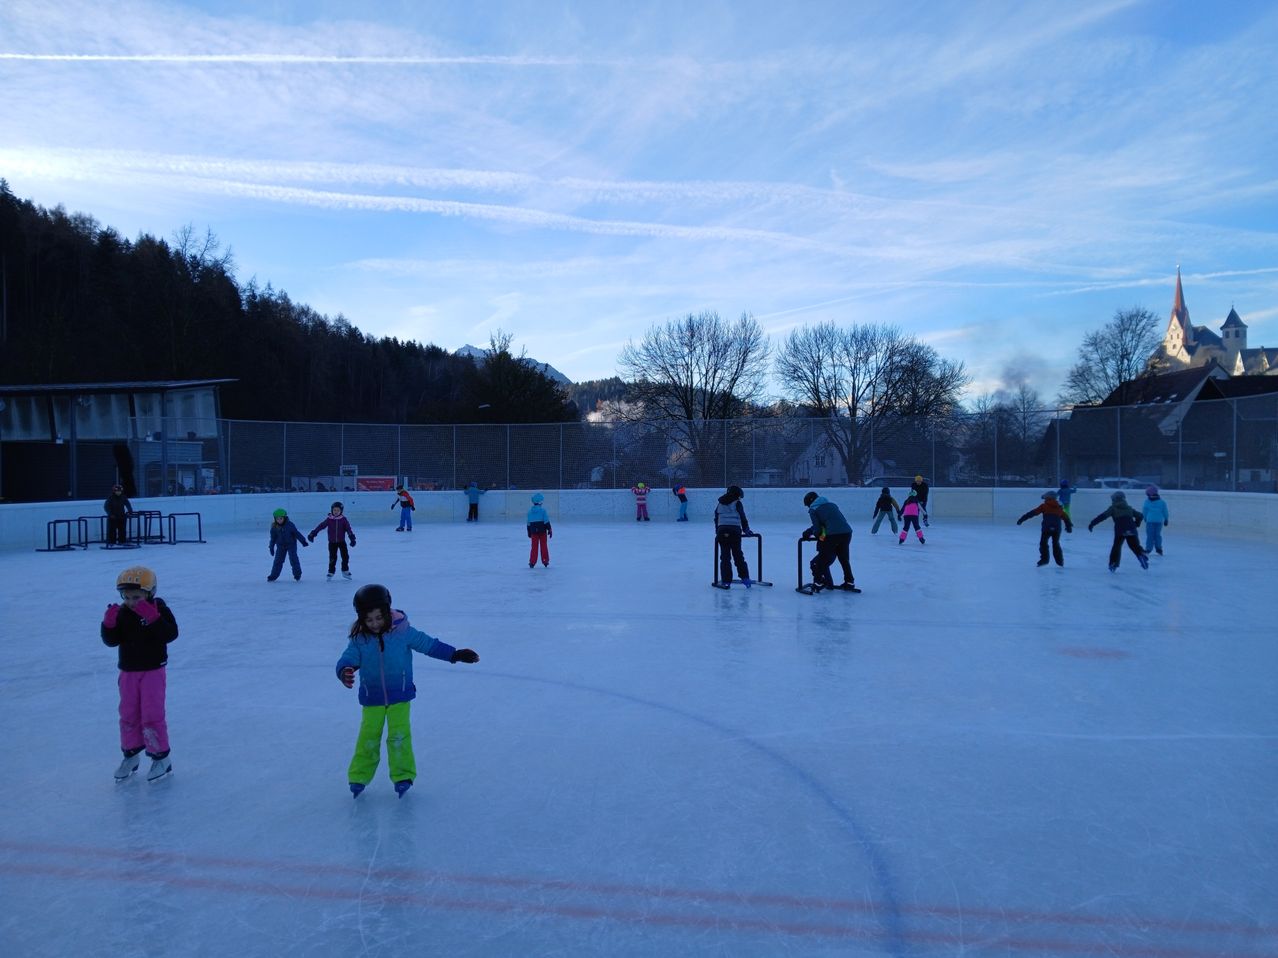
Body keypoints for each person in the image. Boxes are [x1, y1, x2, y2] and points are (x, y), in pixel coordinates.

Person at [335, 584, 479, 798]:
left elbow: (428, 644)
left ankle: (403, 776)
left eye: (378, 617)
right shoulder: (360, 639)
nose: (374, 624)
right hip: (372, 697)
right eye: (369, 619)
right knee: (368, 738)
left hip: (399, 696)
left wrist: (454, 654)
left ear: (386, 612)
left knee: (399, 736)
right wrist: (344, 670)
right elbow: (348, 659)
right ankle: (358, 777)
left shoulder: (403, 632)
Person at [101, 566, 179, 783]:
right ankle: (131, 755)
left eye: (136, 597)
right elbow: (112, 640)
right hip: (128, 671)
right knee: (128, 713)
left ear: (150, 592)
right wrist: (108, 625)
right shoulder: (124, 613)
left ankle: (160, 758)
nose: (131, 602)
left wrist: (154, 618)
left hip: (153, 670)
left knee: (152, 714)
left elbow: (171, 634)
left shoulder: (159, 608)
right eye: (126, 597)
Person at [802, 491, 859, 592]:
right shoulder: (832, 505)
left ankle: (818, 583)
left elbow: (818, 529)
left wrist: (812, 534)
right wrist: (810, 530)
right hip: (846, 533)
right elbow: (835, 521)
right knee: (844, 559)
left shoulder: (813, 509)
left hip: (832, 535)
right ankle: (849, 582)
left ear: (810, 502)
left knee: (822, 559)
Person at [1087, 491, 1149, 572]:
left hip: (1120, 529)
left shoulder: (1113, 508)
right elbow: (1140, 516)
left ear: (1114, 499)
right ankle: (1141, 555)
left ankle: (1113, 563)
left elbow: (1103, 516)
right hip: (1131, 528)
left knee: (1117, 546)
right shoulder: (1129, 508)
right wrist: (1137, 523)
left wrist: (1092, 523)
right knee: (1134, 545)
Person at [1016, 490, 1073, 567]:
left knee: (1043, 543)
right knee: (1056, 544)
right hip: (1057, 528)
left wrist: (1022, 519)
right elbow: (1066, 518)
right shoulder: (1059, 507)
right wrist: (1069, 526)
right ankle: (1060, 561)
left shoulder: (1044, 506)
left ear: (1048, 498)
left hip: (1047, 528)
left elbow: (1032, 513)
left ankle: (1044, 560)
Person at [712, 485, 753, 589]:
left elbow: (716, 517)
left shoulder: (720, 503)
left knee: (725, 557)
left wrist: (718, 531)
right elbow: (742, 517)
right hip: (735, 531)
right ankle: (745, 578)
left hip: (722, 531)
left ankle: (726, 581)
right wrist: (746, 529)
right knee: (738, 555)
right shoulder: (737, 503)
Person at [309, 501, 357, 581]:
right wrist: (313, 533)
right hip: (332, 543)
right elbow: (321, 526)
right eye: (334, 510)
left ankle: (345, 570)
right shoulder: (329, 519)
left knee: (345, 556)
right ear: (332, 510)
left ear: (341, 511)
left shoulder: (343, 520)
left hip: (341, 542)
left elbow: (348, 529)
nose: (336, 512)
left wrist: (352, 538)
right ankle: (331, 572)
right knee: (332, 558)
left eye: (338, 510)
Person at [267, 507, 309, 581]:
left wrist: (303, 541)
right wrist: (271, 547)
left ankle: (297, 574)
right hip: (280, 546)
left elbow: (296, 533)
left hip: (291, 545)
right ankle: (273, 576)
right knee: (278, 561)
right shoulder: (274, 527)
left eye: (281, 518)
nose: (279, 520)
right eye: (277, 519)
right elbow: (273, 539)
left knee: (293, 559)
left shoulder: (290, 525)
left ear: (285, 518)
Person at [1142, 485, 1169, 556]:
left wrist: (1145, 518)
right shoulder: (1162, 502)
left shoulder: (1147, 502)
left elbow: (1145, 511)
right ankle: (1159, 549)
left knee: (1150, 535)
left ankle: (1148, 549)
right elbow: (1165, 511)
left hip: (1150, 521)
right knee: (1157, 535)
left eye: (1148, 494)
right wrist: (1166, 519)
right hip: (1159, 521)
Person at [104, 482, 134, 546]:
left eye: (119, 491)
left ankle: (122, 541)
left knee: (122, 530)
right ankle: (112, 542)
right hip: (113, 517)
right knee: (112, 530)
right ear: (114, 491)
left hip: (121, 516)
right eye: (117, 491)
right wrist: (110, 514)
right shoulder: (111, 498)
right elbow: (106, 506)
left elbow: (128, 504)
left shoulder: (123, 497)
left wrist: (130, 511)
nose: (118, 492)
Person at [527, 492, 552, 568]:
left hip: (534, 532)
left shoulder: (530, 512)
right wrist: (550, 529)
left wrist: (529, 532)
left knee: (534, 547)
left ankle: (532, 562)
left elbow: (528, 523)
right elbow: (546, 521)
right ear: (540, 502)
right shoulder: (543, 511)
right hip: (542, 531)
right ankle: (545, 561)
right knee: (544, 546)